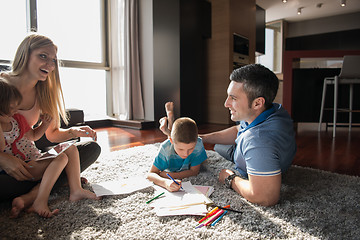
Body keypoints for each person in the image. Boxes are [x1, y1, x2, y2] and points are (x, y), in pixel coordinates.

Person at [0, 34, 101, 217]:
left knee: (89, 149)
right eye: (43, 56)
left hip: (29, 162)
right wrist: (3, 159)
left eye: (53, 59)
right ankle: (51, 184)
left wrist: (73, 131)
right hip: (5, 167)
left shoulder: (44, 94)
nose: (50, 64)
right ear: (25, 54)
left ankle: (39, 189)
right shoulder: (2, 84)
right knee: (62, 166)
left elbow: (52, 134)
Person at [200, 64, 297, 206]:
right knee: (217, 145)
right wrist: (203, 138)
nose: (226, 103)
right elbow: (240, 128)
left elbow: (266, 197)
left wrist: (230, 178)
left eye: (233, 98)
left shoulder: (258, 140)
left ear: (258, 103)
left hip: (251, 155)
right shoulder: (274, 110)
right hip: (250, 148)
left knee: (217, 148)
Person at [147, 102, 207, 192]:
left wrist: (170, 175)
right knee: (173, 137)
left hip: (175, 142)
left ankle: (170, 120)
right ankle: (170, 119)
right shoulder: (165, 149)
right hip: (171, 144)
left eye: (191, 149)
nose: (185, 154)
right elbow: (150, 174)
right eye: (181, 149)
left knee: (175, 137)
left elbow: (194, 172)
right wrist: (165, 183)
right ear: (172, 142)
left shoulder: (198, 144)